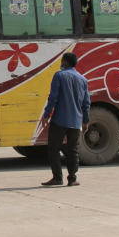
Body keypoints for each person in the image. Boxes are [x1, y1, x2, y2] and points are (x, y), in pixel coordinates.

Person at [40, 51, 90, 187]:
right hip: (76, 121)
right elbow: (86, 103)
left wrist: (46, 115)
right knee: (72, 149)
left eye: (62, 61)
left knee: (54, 149)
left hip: (60, 120)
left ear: (65, 62)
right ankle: (72, 179)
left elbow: (53, 97)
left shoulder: (59, 76)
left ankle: (57, 177)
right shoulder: (83, 80)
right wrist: (85, 121)